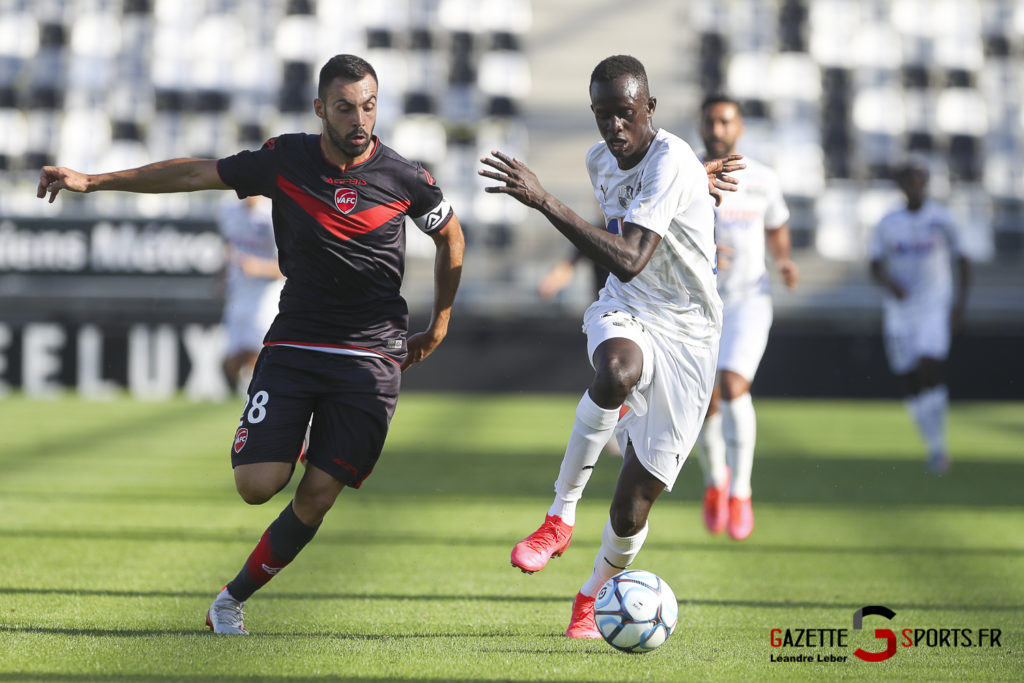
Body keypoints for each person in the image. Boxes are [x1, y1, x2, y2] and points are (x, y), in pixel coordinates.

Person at [37, 54, 465, 635]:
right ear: (320, 110)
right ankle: (301, 430)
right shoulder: (283, 159)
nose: (358, 119)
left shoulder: (405, 177)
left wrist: (438, 324)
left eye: (368, 105)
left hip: (371, 355)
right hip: (297, 343)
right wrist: (93, 181)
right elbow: (194, 174)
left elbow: (451, 237)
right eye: (344, 107)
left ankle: (230, 601)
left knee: (315, 497)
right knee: (256, 486)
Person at [480, 54, 741, 638]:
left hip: (692, 332)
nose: (614, 129)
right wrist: (693, 183)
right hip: (630, 306)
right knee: (617, 370)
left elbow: (631, 251)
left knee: (631, 511)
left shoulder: (672, 159)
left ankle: (590, 598)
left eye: (625, 114)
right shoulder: (603, 160)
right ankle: (558, 518)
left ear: (648, 108)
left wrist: (544, 200)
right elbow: (617, 254)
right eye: (603, 116)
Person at [692, 94, 799, 541]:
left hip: (749, 300)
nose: (718, 129)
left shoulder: (763, 179)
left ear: (739, 128)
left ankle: (741, 491)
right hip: (695, 304)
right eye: (711, 122)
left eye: (725, 122)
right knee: (706, 403)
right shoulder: (682, 175)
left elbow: (776, 227)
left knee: (734, 386)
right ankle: (716, 481)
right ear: (701, 127)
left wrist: (785, 260)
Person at [868, 159, 970, 475]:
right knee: (911, 378)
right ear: (900, 185)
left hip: (934, 307)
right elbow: (874, 264)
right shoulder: (887, 222)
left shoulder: (943, 219)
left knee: (930, 365)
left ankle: (939, 449)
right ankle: (933, 445)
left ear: (925, 183)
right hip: (900, 311)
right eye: (907, 180)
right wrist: (889, 283)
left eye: (918, 179)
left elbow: (964, 260)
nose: (913, 185)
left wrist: (959, 306)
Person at [217, 194, 284, 395]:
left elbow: (288, 267)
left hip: (264, 297)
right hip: (238, 294)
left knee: (261, 353)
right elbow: (229, 246)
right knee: (231, 358)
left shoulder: (273, 215)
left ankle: (263, 394)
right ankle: (241, 394)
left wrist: (259, 268)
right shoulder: (228, 210)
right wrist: (221, 275)